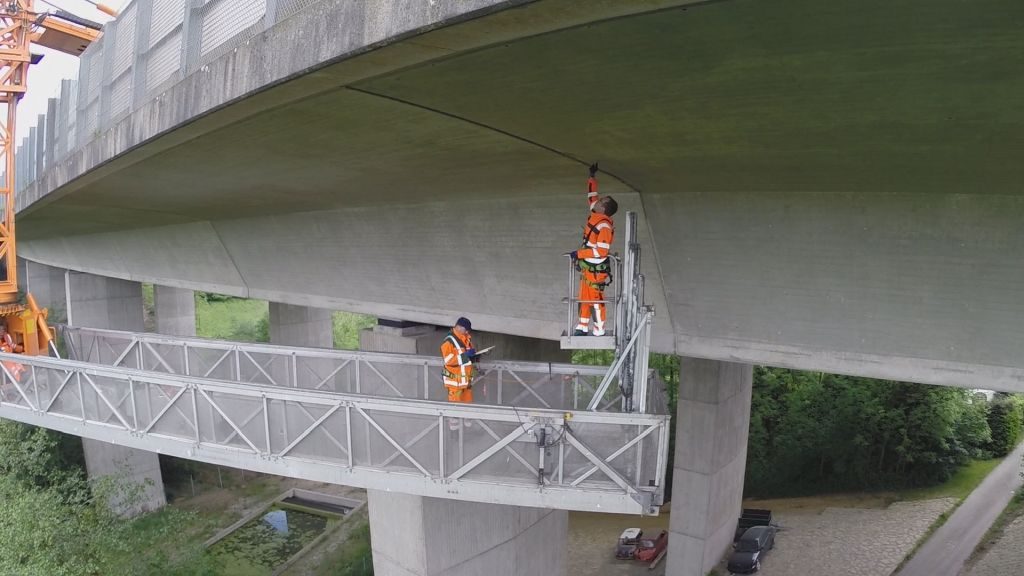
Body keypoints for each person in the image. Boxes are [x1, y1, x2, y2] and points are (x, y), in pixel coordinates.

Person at [572, 162, 618, 336]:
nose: (598, 201)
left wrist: (579, 254)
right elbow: (592, 196)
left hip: (596, 269)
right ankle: (582, 326)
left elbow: (601, 252)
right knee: (584, 296)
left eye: (602, 201)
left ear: (604, 208)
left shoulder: (604, 226)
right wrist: (592, 177)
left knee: (596, 300)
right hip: (588, 266)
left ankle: (599, 330)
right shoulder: (596, 214)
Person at [441, 317, 478, 428]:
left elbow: (468, 357)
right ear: (459, 327)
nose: (467, 332)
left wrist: (474, 356)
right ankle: (454, 428)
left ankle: (468, 425)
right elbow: (449, 361)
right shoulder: (448, 342)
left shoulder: (466, 339)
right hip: (455, 382)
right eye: (466, 330)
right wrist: (466, 356)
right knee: (455, 408)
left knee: (468, 404)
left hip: (465, 380)